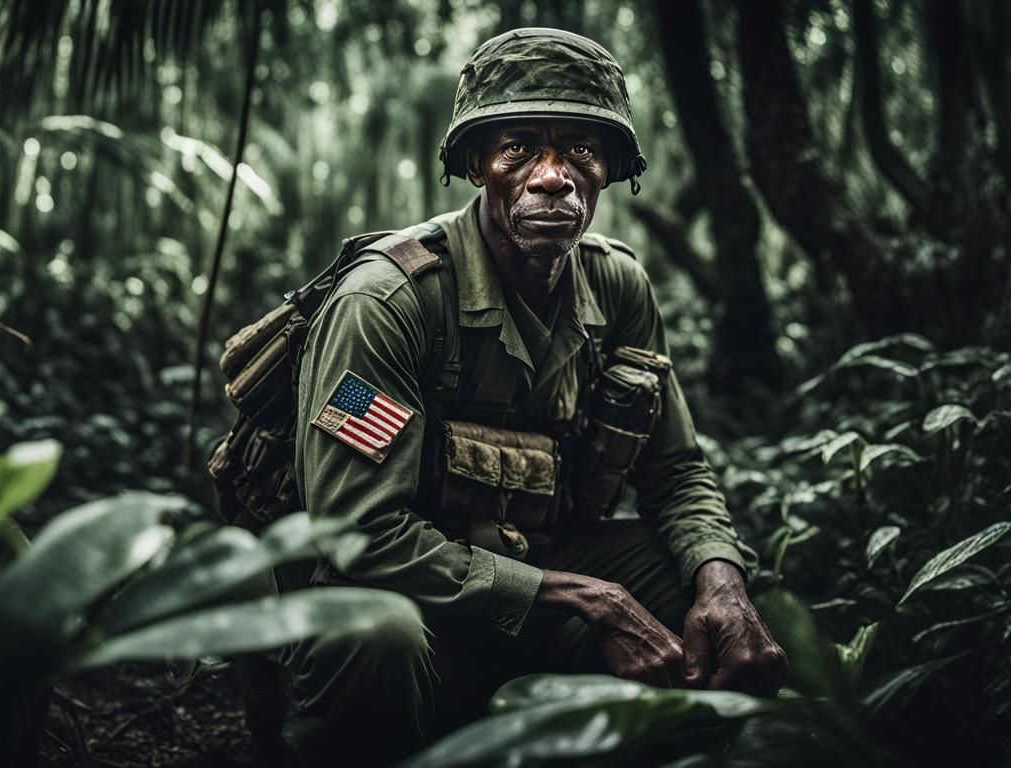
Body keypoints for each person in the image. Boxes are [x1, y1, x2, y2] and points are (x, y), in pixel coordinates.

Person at [283, 27, 786, 766]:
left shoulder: (618, 287)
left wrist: (722, 582)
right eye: (519, 146)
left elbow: (676, 473)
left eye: (581, 148)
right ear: (476, 164)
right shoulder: (387, 301)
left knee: (721, 600)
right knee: (374, 634)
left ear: (613, 168)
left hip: (542, 561)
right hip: (406, 596)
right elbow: (359, 534)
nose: (552, 176)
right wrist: (589, 598)